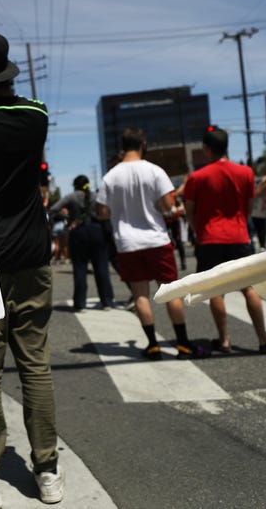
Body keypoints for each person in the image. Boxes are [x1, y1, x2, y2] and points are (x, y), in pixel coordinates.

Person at [0, 30, 63, 508]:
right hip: (33, 256)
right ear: (7, 69)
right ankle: (47, 472)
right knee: (35, 365)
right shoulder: (36, 115)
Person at [96, 127, 208, 360]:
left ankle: (153, 345)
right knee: (171, 291)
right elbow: (167, 206)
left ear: (123, 146)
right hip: (156, 240)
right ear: (143, 144)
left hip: (127, 243)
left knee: (140, 295)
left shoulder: (110, 176)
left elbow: (102, 212)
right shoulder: (155, 171)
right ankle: (184, 345)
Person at [183, 126, 266, 355]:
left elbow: (189, 211)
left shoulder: (196, 178)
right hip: (239, 235)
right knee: (249, 288)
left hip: (210, 238)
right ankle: (262, 341)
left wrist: (198, 230)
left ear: (206, 149)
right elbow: (248, 207)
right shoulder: (245, 173)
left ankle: (225, 341)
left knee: (216, 291)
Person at [56, 175, 114, 311]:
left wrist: (69, 218)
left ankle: (80, 303)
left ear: (75, 185)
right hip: (97, 231)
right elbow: (107, 210)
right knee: (101, 268)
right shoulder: (96, 196)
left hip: (78, 233)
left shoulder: (71, 197)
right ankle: (106, 301)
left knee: (80, 268)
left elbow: (54, 209)